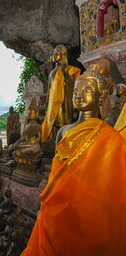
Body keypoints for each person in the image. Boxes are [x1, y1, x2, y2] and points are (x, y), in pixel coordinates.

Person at [21, 68, 126, 256]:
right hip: (59, 209)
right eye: (76, 90)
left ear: (101, 96)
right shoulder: (64, 130)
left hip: (90, 213)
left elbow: (113, 182)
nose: (79, 95)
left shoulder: (110, 137)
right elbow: (56, 173)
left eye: (87, 90)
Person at [42, 45, 81, 141]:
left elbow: (74, 85)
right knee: (54, 121)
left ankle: (64, 137)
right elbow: (50, 89)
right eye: (54, 53)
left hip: (64, 100)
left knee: (64, 120)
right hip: (53, 101)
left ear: (63, 55)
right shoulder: (53, 72)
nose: (54, 55)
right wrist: (47, 102)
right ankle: (55, 137)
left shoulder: (70, 70)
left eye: (57, 53)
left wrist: (66, 78)